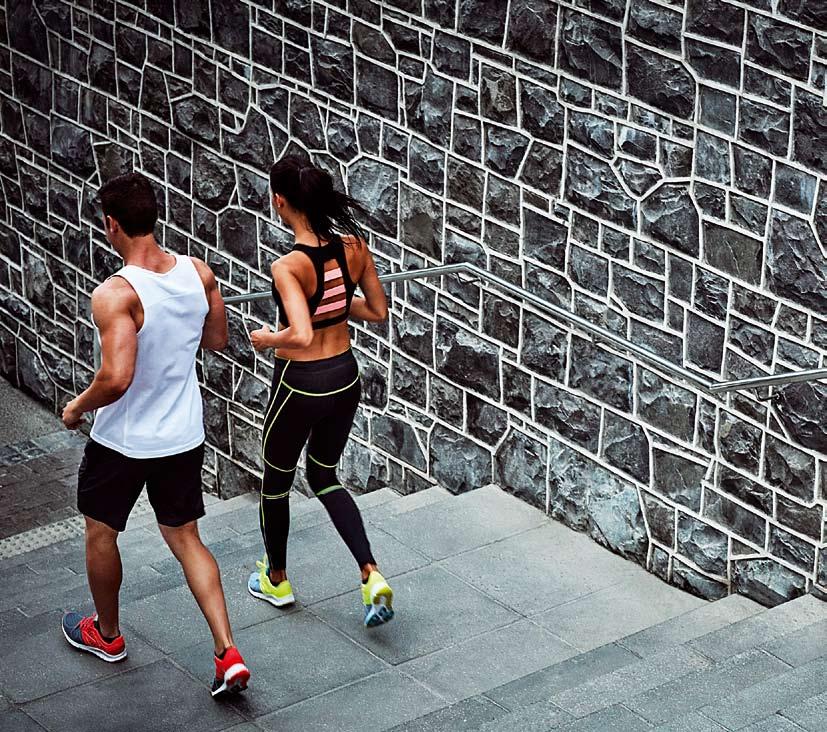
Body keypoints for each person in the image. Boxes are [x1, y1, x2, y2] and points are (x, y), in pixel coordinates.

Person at [60, 172, 250, 698]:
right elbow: (216, 339)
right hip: (183, 435)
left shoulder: (116, 293)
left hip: (124, 443)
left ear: (112, 225)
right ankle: (226, 651)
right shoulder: (198, 273)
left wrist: (76, 407)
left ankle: (108, 633)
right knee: (187, 538)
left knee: (101, 533)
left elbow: (116, 378)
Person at [247, 156, 394, 628]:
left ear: (281, 201)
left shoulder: (288, 265)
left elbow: (301, 335)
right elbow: (376, 311)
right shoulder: (353, 245)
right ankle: (370, 574)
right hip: (345, 376)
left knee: (276, 480)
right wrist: (332, 304)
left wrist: (268, 338)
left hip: (301, 383)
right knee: (325, 474)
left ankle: (277, 579)